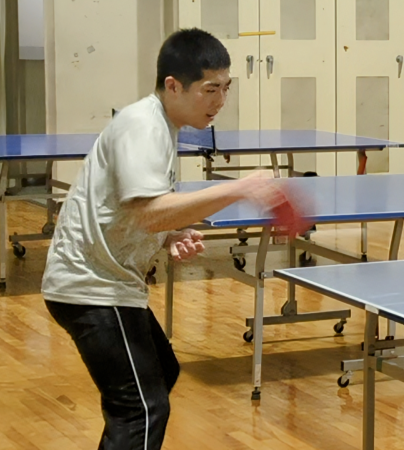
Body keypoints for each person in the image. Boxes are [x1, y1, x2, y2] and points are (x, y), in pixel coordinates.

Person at [41, 28, 308, 450]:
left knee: (161, 375)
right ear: (173, 85)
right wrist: (241, 188)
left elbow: (134, 208)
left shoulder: (164, 124)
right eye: (210, 89)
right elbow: (149, 212)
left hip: (109, 281)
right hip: (90, 286)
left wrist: (169, 235)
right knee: (141, 409)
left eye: (226, 88)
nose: (220, 100)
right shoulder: (142, 126)